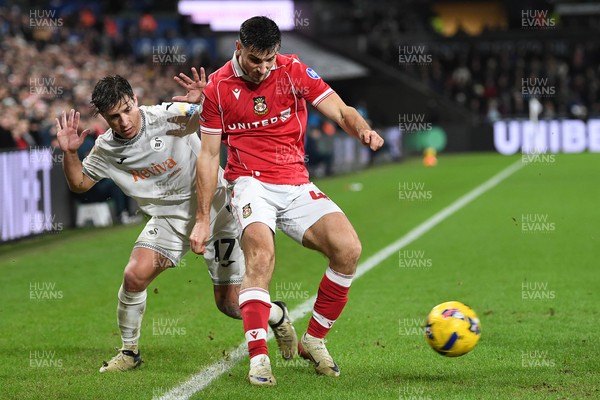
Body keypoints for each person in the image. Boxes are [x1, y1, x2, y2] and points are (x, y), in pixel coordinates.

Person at [187, 16, 384, 386]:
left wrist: (363, 130)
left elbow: (341, 111)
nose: (263, 69)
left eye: (269, 60)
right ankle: (259, 360)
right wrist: (201, 218)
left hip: (294, 182)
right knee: (261, 256)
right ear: (238, 49)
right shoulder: (216, 87)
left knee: (348, 249)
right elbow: (209, 156)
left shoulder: (292, 70)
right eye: (254, 60)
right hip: (249, 183)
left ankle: (314, 339)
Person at [55, 72, 297, 373]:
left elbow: (223, 116)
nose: (124, 121)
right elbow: (79, 183)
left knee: (231, 305)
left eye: (127, 109)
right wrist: (69, 153)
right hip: (170, 221)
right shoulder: (106, 149)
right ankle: (129, 352)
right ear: (104, 117)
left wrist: (205, 99)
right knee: (134, 276)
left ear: (136, 100)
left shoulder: (168, 116)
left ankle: (277, 315)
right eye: (114, 117)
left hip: (218, 212)